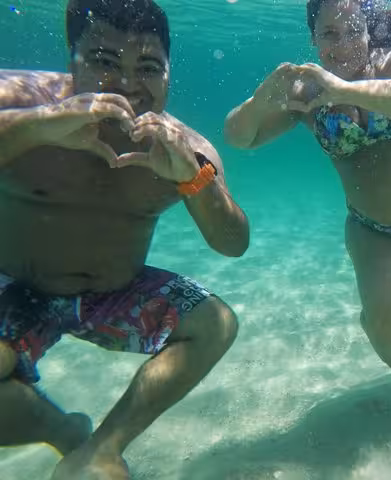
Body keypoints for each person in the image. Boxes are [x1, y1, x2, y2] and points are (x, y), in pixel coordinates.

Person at [0, 0, 249, 478]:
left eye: (149, 67)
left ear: (170, 74)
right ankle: (62, 431)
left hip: (113, 294)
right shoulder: (21, 101)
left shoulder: (186, 150)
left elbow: (232, 242)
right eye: (104, 62)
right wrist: (41, 126)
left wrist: (193, 181)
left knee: (215, 323)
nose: (129, 85)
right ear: (71, 58)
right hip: (14, 283)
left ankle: (103, 447)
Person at [224, 0, 391, 375]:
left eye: (354, 30)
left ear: (370, 31)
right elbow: (240, 137)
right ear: (314, 40)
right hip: (374, 229)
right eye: (329, 34)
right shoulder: (307, 92)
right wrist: (259, 103)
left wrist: (347, 91)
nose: (343, 44)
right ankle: (386, 336)